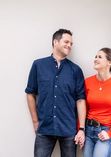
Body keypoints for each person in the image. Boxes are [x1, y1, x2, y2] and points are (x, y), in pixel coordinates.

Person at [25, 28, 86, 157]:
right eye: (66, 42)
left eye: (71, 44)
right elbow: (30, 93)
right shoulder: (38, 65)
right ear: (55, 42)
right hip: (44, 128)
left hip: (68, 129)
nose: (69, 46)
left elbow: (80, 100)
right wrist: (35, 122)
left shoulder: (76, 70)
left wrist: (81, 129)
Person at [82, 47, 111, 157]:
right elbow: (83, 109)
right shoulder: (87, 82)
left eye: (99, 57)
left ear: (109, 62)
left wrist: (110, 133)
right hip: (88, 130)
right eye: (95, 56)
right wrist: (81, 130)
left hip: (104, 131)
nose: (95, 59)